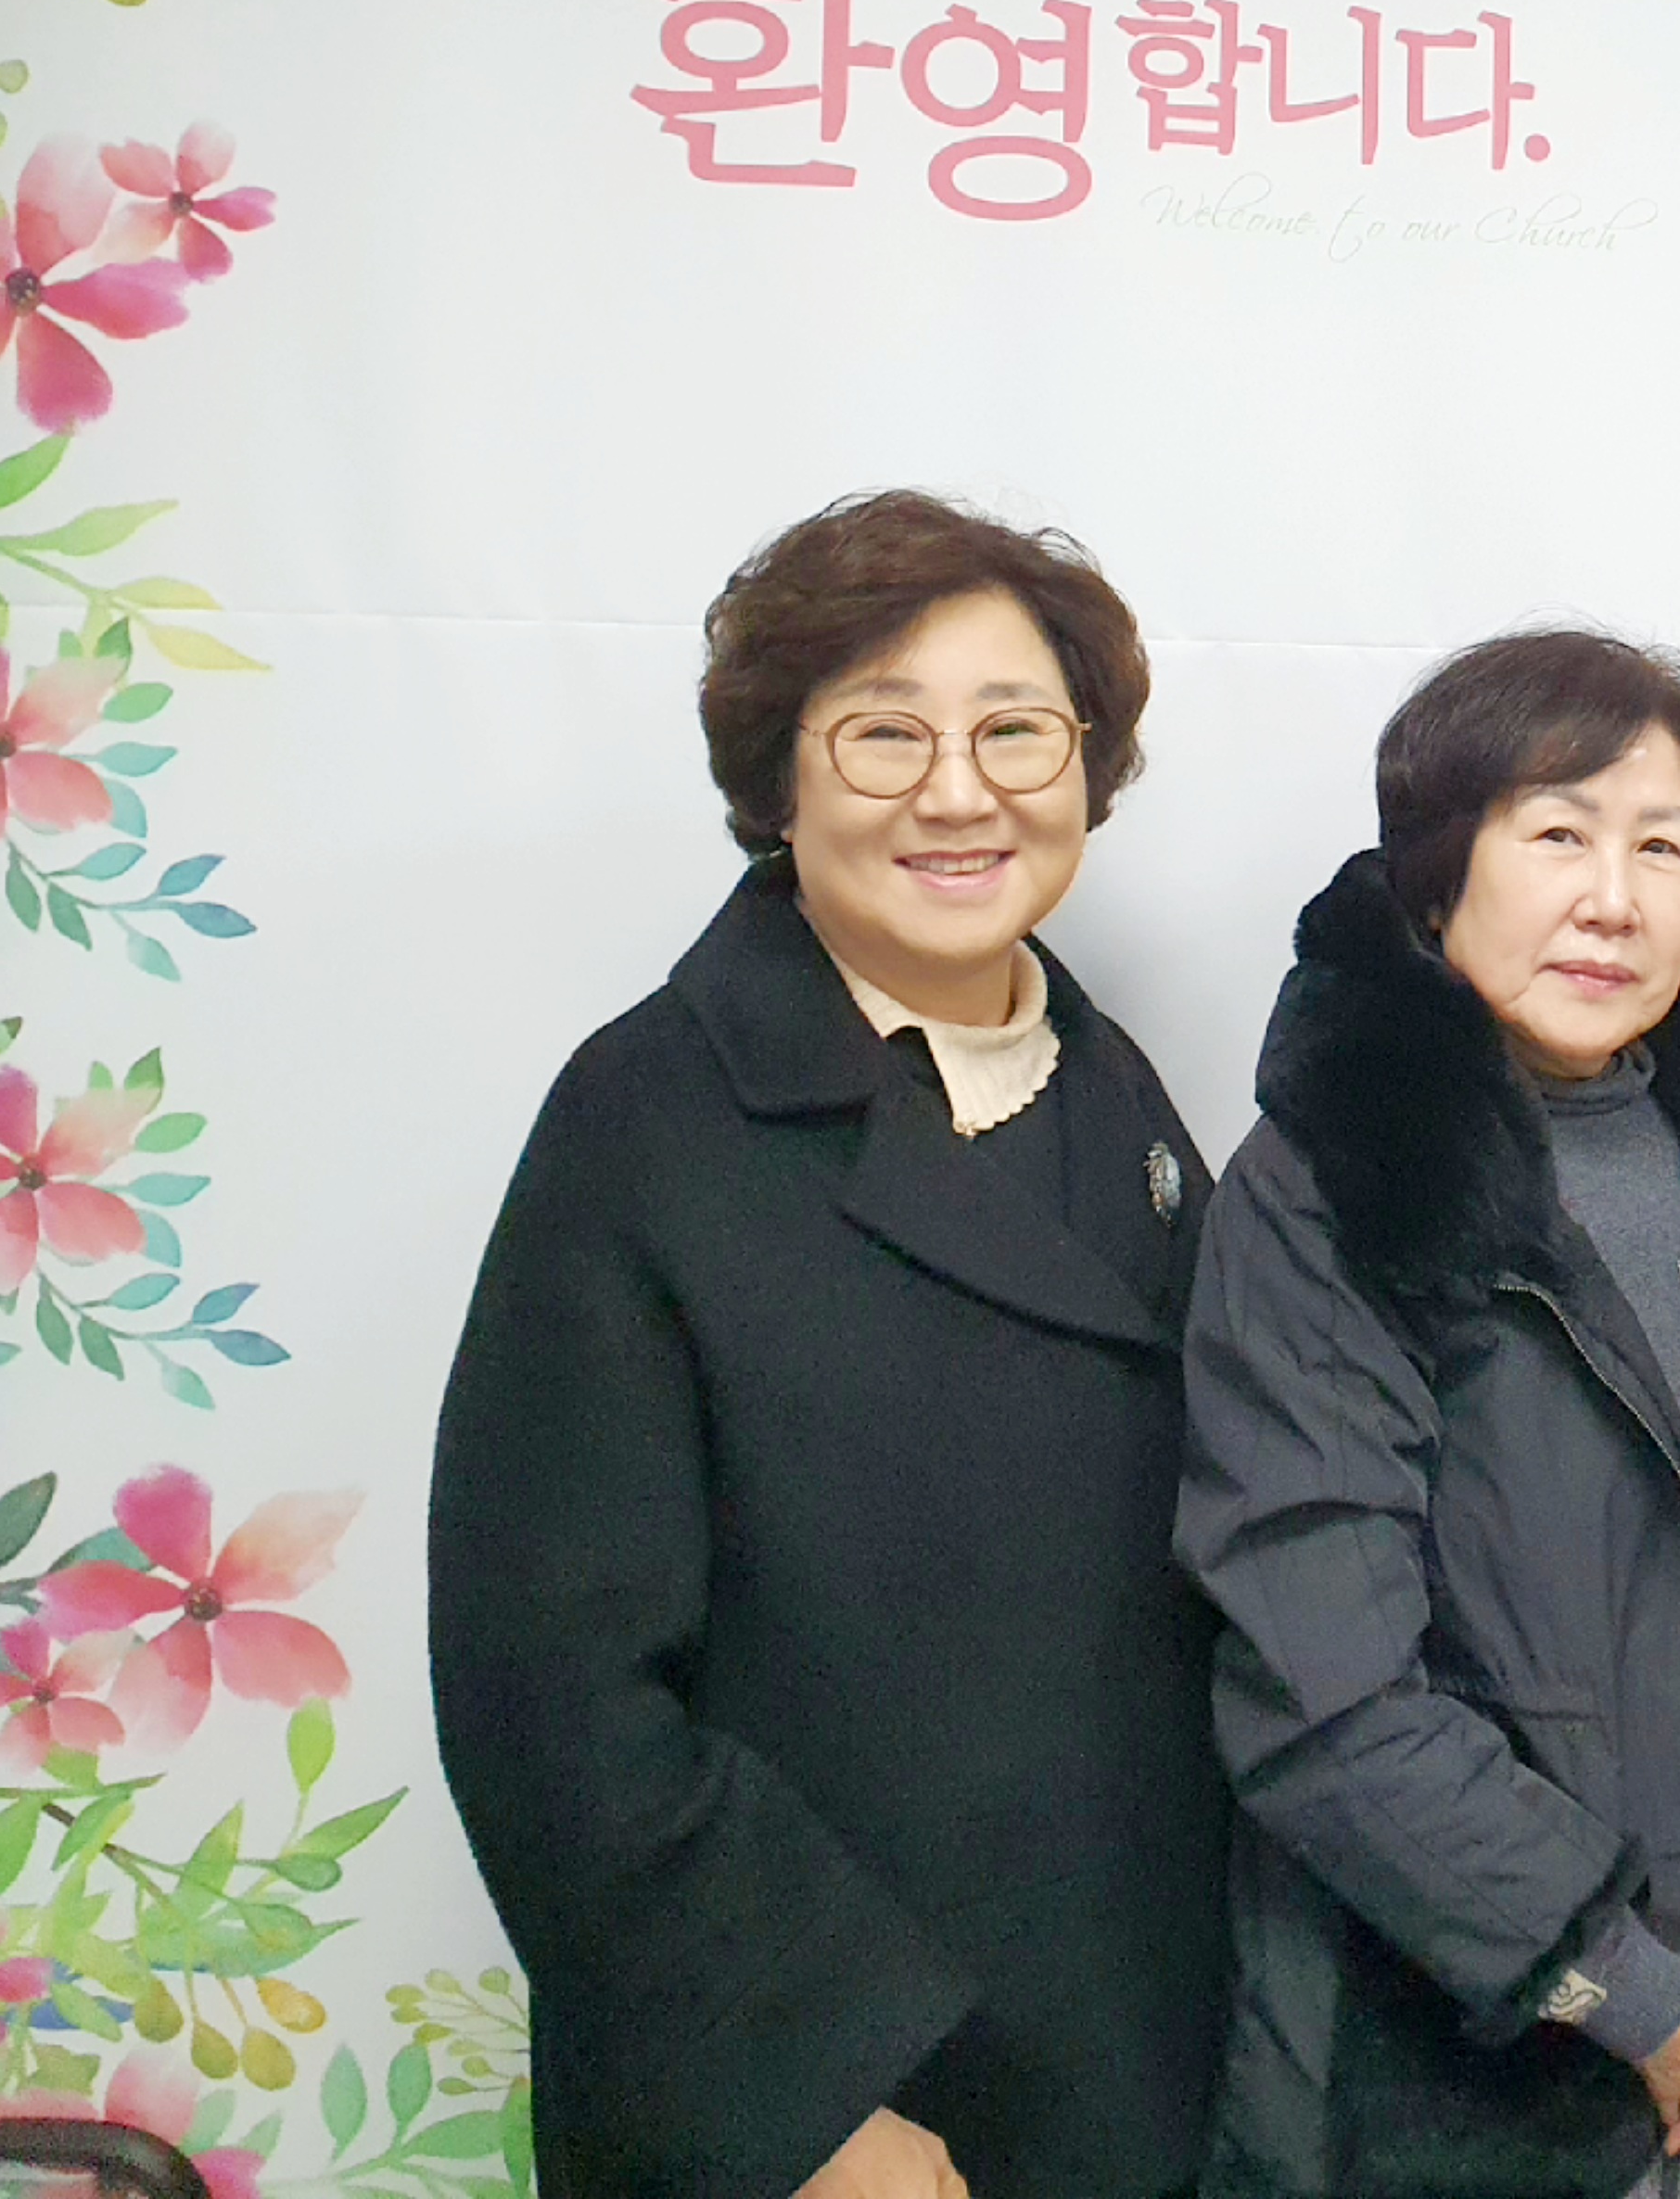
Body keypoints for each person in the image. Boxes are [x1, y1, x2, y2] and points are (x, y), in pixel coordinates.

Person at [428, 491, 1228, 2199]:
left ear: (1088, 766)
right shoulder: (646, 1120)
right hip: (821, 2094)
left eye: (1016, 730)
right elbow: (549, 1696)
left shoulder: (1120, 1099)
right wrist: (796, 2102)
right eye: (883, 734)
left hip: (1128, 2043)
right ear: (776, 782)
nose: (959, 791)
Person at [1177, 629, 1680, 2199]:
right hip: (1449, 2075)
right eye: (1559, 835)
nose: (1614, 899)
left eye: (1663, 847)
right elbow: (1326, 1696)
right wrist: (1633, 1994)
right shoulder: (1336, 1184)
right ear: (1439, 871)